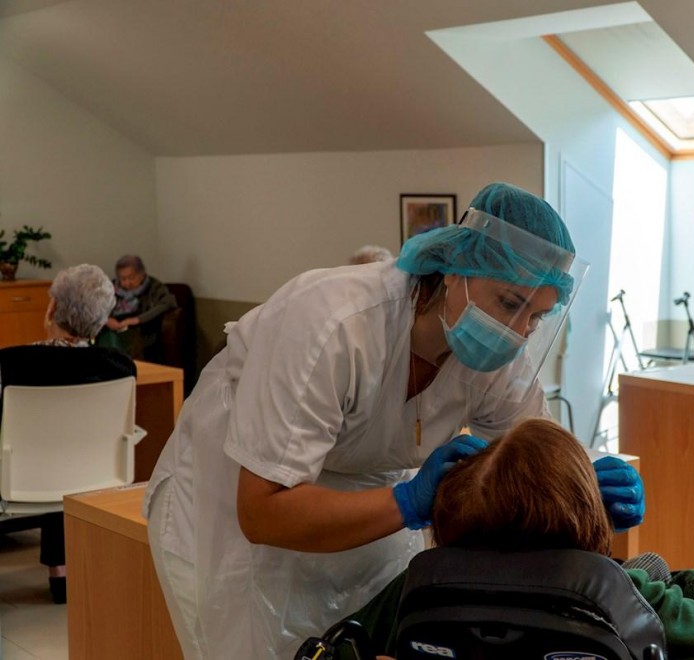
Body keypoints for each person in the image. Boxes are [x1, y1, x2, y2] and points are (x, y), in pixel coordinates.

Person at [142, 182, 644, 659]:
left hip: (368, 502)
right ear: (455, 267)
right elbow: (262, 513)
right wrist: (407, 501)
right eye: (510, 303)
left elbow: (539, 450)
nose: (518, 331)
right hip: (235, 506)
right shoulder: (333, 324)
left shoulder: (499, 360)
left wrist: (587, 483)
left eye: (536, 317)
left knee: (373, 638)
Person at [342, 418, 694, 660]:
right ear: (587, 520)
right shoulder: (622, 597)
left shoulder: (417, 589)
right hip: (643, 586)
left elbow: (336, 646)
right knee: (671, 571)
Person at [0, 264, 136, 603]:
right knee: (64, 450)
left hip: (18, 480)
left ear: (51, 310)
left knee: (38, 448)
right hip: (91, 479)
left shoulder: (11, 363)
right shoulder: (119, 366)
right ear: (103, 320)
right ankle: (62, 573)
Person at [100, 254, 177, 363]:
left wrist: (136, 320)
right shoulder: (111, 287)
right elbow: (96, 307)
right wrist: (107, 320)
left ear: (142, 274)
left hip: (140, 330)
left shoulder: (154, 286)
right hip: (111, 328)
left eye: (131, 277)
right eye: (122, 278)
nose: (127, 283)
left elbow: (168, 302)